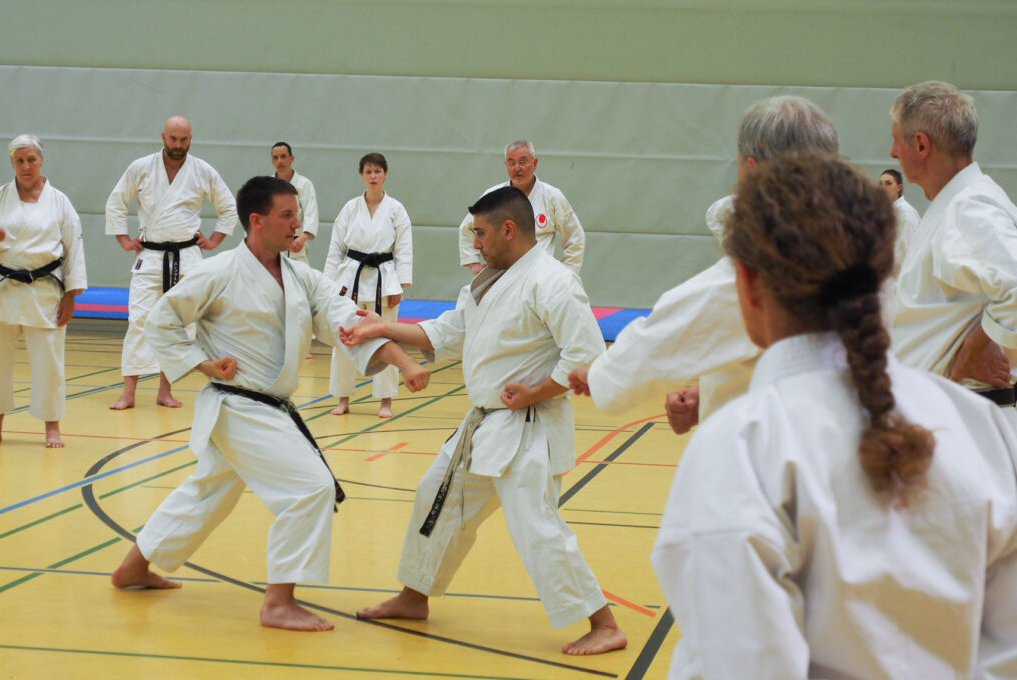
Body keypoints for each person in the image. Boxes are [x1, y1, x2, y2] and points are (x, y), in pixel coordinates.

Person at [653, 154, 1017, 679]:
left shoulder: (739, 445)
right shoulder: (978, 425)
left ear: (748, 284)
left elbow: (745, 665)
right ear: (887, 269)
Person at [110, 176, 430, 632]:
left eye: (297, 215)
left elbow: (349, 322)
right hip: (237, 405)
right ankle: (279, 601)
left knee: (207, 493)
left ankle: (133, 568)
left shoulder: (301, 275)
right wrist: (201, 364)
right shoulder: (218, 272)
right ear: (257, 221)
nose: (297, 224)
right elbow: (162, 320)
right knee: (311, 488)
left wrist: (404, 362)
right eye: (287, 216)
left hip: (264, 406)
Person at [345, 186, 626, 655]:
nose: (475, 242)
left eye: (480, 233)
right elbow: (445, 333)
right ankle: (415, 596)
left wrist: (536, 391)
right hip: (486, 424)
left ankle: (604, 623)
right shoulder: (487, 281)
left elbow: (588, 358)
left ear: (508, 230)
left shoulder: (552, 282)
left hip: (530, 425)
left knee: (535, 524)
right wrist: (382, 326)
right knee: (436, 495)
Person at [569, 96, 839, 434]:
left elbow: (680, 325)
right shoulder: (865, 240)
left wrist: (603, 372)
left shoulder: (772, 261)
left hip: (784, 449)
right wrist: (709, 395)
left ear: (752, 168)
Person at [889, 81, 1017, 424]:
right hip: (951, 415)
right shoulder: (959, 203)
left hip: (968, 418)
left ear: (920, 144)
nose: (892, 153)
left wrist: (976, 347)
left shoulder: (969, 207)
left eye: (896, 139)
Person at [105, 115, 237, 410]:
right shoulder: (141, 167)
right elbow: (116, 201)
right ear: (164, 137)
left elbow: (228, 207)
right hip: (150, 256)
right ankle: (128, 392)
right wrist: (124, 240)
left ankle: (165, 391)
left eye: (184, 139)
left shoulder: (202, 170)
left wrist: (214, 240)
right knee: (138, 320)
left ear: (191, 138)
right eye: (173, 139)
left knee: (178, 324)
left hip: (187, 257)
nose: (178, 145)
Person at [0, 135, 87, 448]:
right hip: (2, 290)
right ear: (12, 163)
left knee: (49, 362)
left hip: (45, 291)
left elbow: (73, 249)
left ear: (41, 160)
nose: (25, 166)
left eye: (31, 159)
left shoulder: (59, 202)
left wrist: (71, 295)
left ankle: (52, 427)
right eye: (19, 160)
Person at [324, 153, 412, 418]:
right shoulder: (350, 208)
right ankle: (343, 398)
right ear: (361, 175)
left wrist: (400, 284)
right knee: (345, 337)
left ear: (385, 174)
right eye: (368, 172)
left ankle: (385, 400)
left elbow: (404, 249)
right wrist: (328, 285)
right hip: (350, 278)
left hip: (383, 280)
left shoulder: (396, 209)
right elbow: (336, 248)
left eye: (377, 172)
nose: (373, 176)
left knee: (385, 339)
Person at [459, 140, 585, 275]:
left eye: (523, 162)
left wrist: (568, 272)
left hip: (540, 275)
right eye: (512, 163)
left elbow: (575, 236)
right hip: (501, 275)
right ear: (506, 165)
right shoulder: (493, 197)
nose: (517, 168)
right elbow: (466, 228)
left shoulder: (552, 196)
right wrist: (473, 263)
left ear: (534, 163)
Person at [271, 142, 318, 265]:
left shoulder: (304, 184)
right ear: (272, 161)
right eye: (276, 157)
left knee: (300, 282)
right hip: (272, 247)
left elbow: (310, 213)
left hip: (297, 247)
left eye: (283, 156)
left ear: (291, 159)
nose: (280, 161)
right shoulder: (267, 186)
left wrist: (303, 238)